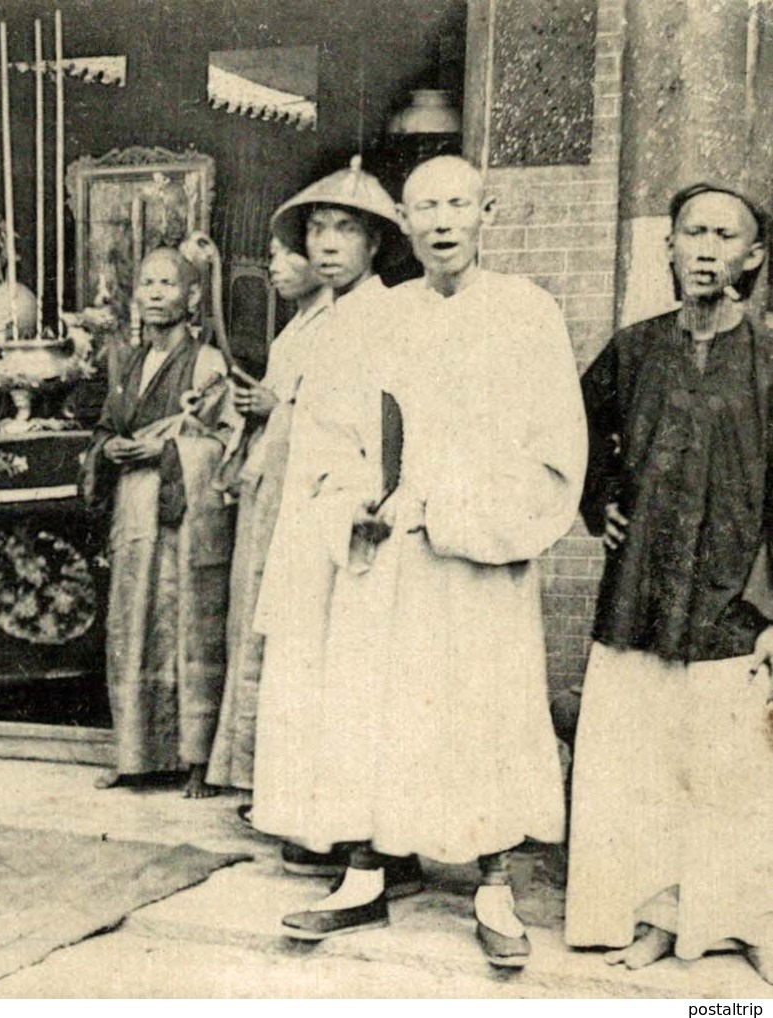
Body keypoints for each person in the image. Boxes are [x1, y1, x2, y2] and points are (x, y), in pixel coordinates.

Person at [266, 156, 584, 968]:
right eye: (422, 208)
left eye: (456, 205)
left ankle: (492, 884)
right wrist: (356, 504)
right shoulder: (375, 320)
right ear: (401, 224)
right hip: (389, 556)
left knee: (480, 711)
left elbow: (552, 450)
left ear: (487, 212)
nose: (440, 222)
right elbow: (334, 439)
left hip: (475, 554)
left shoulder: (525, 312)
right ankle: (364, 875)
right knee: (372, 707)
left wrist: (452, 512)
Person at [566, 182, 773, 986]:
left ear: (751, 257)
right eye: (692, 232)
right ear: (670, 245)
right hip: (641, 591)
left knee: (729, 770)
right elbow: (576, 422)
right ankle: (652, 915)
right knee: (641, 763)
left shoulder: (766, 357)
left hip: (733, 597)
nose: (705, 248)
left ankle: (738, 920)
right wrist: (599, 498)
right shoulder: (632, 347)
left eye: (725, 236)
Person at [246, 159, 410, 883]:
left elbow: (397, 420)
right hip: (311, 512)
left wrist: (379, 496)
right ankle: (322, 824)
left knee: (361, 680)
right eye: (317, 229)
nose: (328, 244)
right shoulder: (323, 320)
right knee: (307, 668)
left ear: (375, 243)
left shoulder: (390, 315)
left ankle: (378, 841)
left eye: (346, 230)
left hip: (360, 517)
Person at [81, 247, 240, 797]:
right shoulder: (126, 361)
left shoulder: (208, 363)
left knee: (184, 624)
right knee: (131, 623)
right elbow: (104, 427)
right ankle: (133, 754)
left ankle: (195, 760)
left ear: (192, 297)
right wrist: (111, 448)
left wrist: (168, 453)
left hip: (181, 513)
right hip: (133, 509)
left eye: (167, 283)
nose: (153, 293)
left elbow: (227, 442)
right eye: (146, 282)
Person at [202, 233, 332, 796]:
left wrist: (279, 410)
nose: (275, 266)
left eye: (287, 254)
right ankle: (252, 774)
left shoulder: (333, 326)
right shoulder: (294, 330)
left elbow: (332, 421)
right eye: (275, 254)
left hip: (299, 499)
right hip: (269, 492)